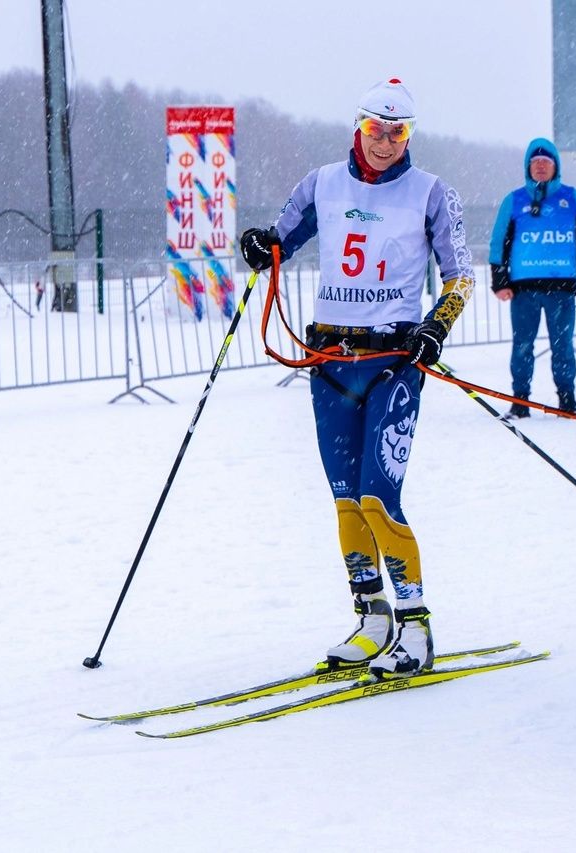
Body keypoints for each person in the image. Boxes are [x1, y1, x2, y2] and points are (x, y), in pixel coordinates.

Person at [238, 78, 474, 679]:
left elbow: (460, 276)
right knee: (346, 499)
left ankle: (415, 627)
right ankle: (372, 619)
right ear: (358, 126)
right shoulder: (321, 183)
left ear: (409, 136)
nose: (385, 142)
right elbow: (279, 241)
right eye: (376, 129)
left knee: (378, 496)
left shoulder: (431, 193)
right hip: (330, 362)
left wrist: (436, 326)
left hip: (393, 363)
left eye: (398, 132)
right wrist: (259, 244)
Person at [488, 138, 576, 418]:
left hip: (561, 290)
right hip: (523, 290)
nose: (540, 166)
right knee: (522, 346)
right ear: (528, 167)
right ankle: (520, 401)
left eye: (546, 161)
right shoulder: (514, 200)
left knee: (563, 347)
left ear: (555, 166)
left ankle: (567, 400)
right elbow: (498, 242)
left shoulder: (572, 198)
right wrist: (499, 280)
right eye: (535, 161)